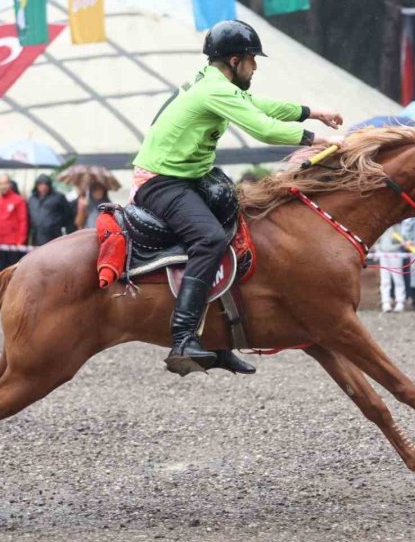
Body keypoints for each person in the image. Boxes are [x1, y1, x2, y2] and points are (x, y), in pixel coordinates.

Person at [131, 19, 344, 375]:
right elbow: (260, 127)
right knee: (210, 239)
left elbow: (257, 104)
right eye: (250, 58)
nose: (255, 66)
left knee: (237, 224)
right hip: (161, 182)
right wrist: (311, 138)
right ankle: (183, 339)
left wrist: (312, 112)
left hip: (188, 176)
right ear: (234, 61)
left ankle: (218, 340)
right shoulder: (214, 90)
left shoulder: (218, 82)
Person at [0, 173, 28, 272]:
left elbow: (23, 221)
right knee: (0, 271)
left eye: (5, 183)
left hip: (14, 244)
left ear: (10, 184)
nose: (3, 186)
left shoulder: (19, 200)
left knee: (14, 272)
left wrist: (20, 241)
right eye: (1, 184)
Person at [28, 174, 75, 246]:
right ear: (37, 185)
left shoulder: (58, 197)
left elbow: (68, 214)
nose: (43, 187)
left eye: (45, 184)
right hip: (36, 235)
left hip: (53, 235)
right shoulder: (32, 198)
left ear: (49, 185)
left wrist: (59, 224)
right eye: (40, 184)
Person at [374, 224, 406, 312]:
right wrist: (378, 250)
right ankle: (385, 302)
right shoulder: (381, 225)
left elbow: (402, 239)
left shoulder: (398, 225)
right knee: (385, 280)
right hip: (383, 253)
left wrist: (400, 245)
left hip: (395, 253)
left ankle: (400, 301)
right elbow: (377, 240)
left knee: (398, 278)